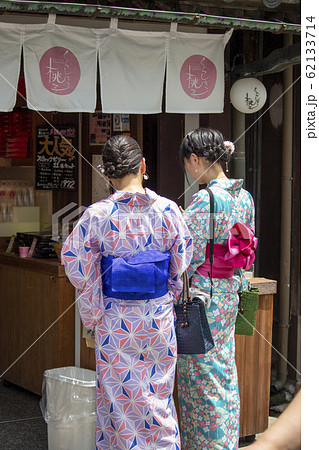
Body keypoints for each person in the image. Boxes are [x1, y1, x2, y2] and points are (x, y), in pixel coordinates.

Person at [61, 135, 193, 450]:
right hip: (157, 318)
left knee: (116, 400)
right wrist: (168, 293)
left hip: (115, 321)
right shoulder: (168, 210)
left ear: (106, 174)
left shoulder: (97, 215)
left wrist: (92, 317)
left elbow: (78, 265)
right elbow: (181, 260)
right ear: (143, 166)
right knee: (157, 396)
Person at [177, 127, 257, 449]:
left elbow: (186, 254)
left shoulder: (206, 198)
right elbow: (244, 244)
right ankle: (227, 441)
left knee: (200, 377)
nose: (188, 171)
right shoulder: (244, 196)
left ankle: (207, 445)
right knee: (223, 370)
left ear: (195, 159)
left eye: (187, 164)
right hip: (229, 293)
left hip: (204, 298)